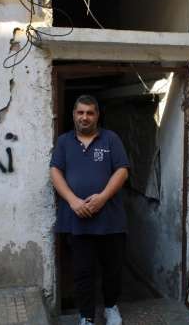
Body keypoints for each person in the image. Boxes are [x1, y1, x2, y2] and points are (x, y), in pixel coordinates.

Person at [50, 94, 130, 325]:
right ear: (74, 115)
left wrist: (103, 197)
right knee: (83, 271)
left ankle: (110, 306)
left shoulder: (110, 139)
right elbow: (55, 172)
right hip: (77, 219)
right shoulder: (64, 142)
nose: (85, 117)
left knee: (112, 269)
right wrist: (73, 201)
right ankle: (86, 316)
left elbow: (122, 170)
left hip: (110, 219)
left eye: (90, 113)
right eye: (80, 112)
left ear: (97, 115)